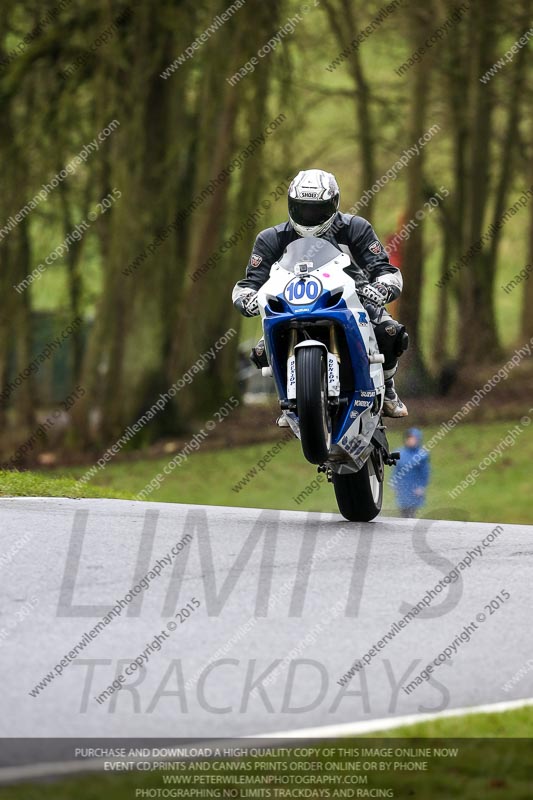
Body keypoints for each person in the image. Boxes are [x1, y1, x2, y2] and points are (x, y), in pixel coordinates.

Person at [231, 168, 409, 418]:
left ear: (333, 204)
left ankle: (387, 388)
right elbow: (251, 282)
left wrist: (382, 285)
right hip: (290, 305)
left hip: (352, 299)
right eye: (302, 208)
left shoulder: (355, 228)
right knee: (260, 353)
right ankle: (292, 398)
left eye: (317, 209)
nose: (309, 215)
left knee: (390, 333)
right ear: (291, 204)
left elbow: (384, 267)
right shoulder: (271, 238)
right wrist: (247, 297)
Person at [391, 428, 430, 518]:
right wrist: (394, 484)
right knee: (403, 511)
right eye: (409, 438)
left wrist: (421, 486)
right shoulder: (399, 453)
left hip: (414, 489)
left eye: (413, 438)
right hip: (402, 488)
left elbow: (425, 473)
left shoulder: (422, 455)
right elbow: (396, 470)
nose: (411, 441)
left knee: (412, 512)